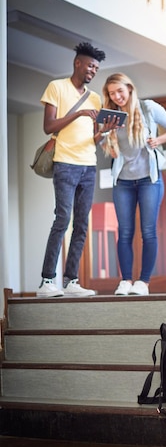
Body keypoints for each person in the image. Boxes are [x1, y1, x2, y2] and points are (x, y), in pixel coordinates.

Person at [37, 42, 108, 298]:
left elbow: (93, 138)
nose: (93, 71)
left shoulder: (96, 98)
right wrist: (78, 114)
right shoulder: (56, 87)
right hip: (65, 164)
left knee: (81, 224)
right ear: (77, 63)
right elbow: (48, 126)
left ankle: (71, 281)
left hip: (89, 165)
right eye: (90, 65)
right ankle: (47, 281)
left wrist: (105, 131)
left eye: (97, 68)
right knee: (62, 219)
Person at [101, 72, 166, 296]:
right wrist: (105, 136)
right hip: (123, 183)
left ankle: (143, 282)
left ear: (129, 88)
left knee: (148, 232)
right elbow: (107, 147)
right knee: (125, 232)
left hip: (149, 180)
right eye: (111, 93)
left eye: (120, 91)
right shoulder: (111, 117)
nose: (117, 96)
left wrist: (159, 140)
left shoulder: (148, 108)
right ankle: (125, 280)